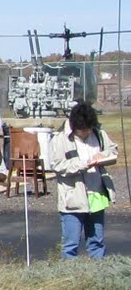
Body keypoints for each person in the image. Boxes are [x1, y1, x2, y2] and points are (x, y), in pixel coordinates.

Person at [46, 103, 117, 259]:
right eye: (83, 130)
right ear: (73, 126)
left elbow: (113, 150)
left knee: (97, 242)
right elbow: (57, 165)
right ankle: (70, 279)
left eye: (89, 129)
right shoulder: (60, 139)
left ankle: (99, 275)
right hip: (72, 200)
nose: (86, 133)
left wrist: (103, 156)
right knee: (71, 244)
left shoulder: (99, 133)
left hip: (97, 196)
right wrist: (83, 164)